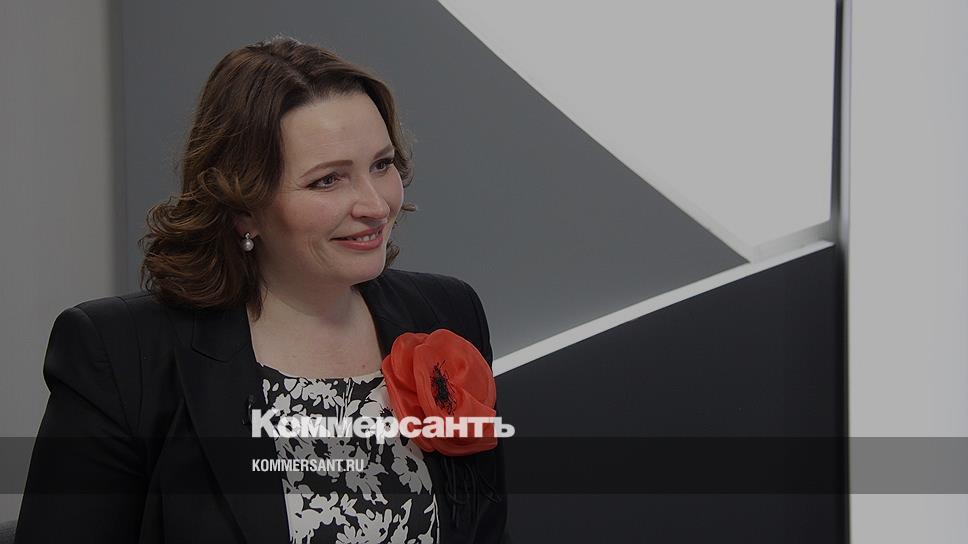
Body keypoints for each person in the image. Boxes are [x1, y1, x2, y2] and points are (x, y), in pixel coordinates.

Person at [15, 36, 509, 543]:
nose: (376, 205)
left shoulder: (447, 312)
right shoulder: (119, 353)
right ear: (243, 204)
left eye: (381, 165)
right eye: (328, 180)